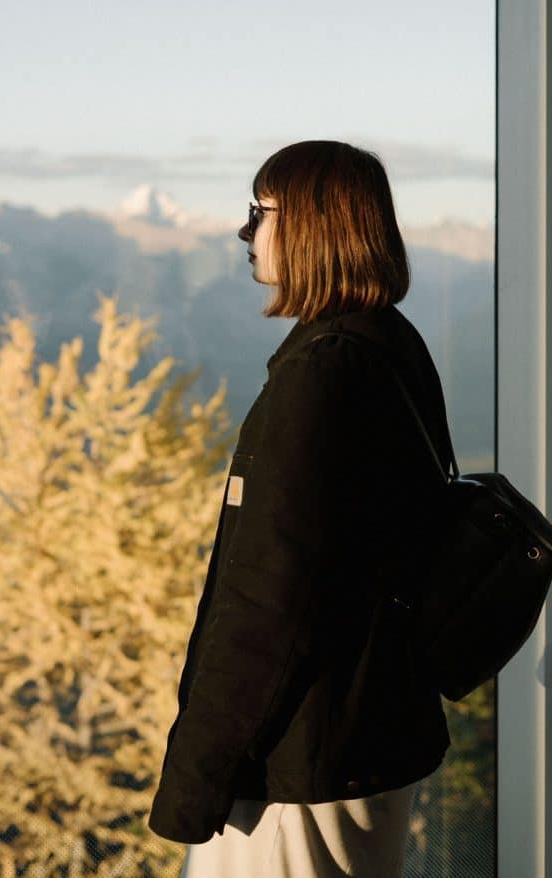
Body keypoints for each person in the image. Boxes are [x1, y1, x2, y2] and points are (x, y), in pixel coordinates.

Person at [148, 140, 456, 876]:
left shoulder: (323, 375)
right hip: (361, 739)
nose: (246, 230)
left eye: (262, 211)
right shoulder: (388, 345)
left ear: (316, 225)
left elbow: (267, 603)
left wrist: (193, 782)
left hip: (298, 767)